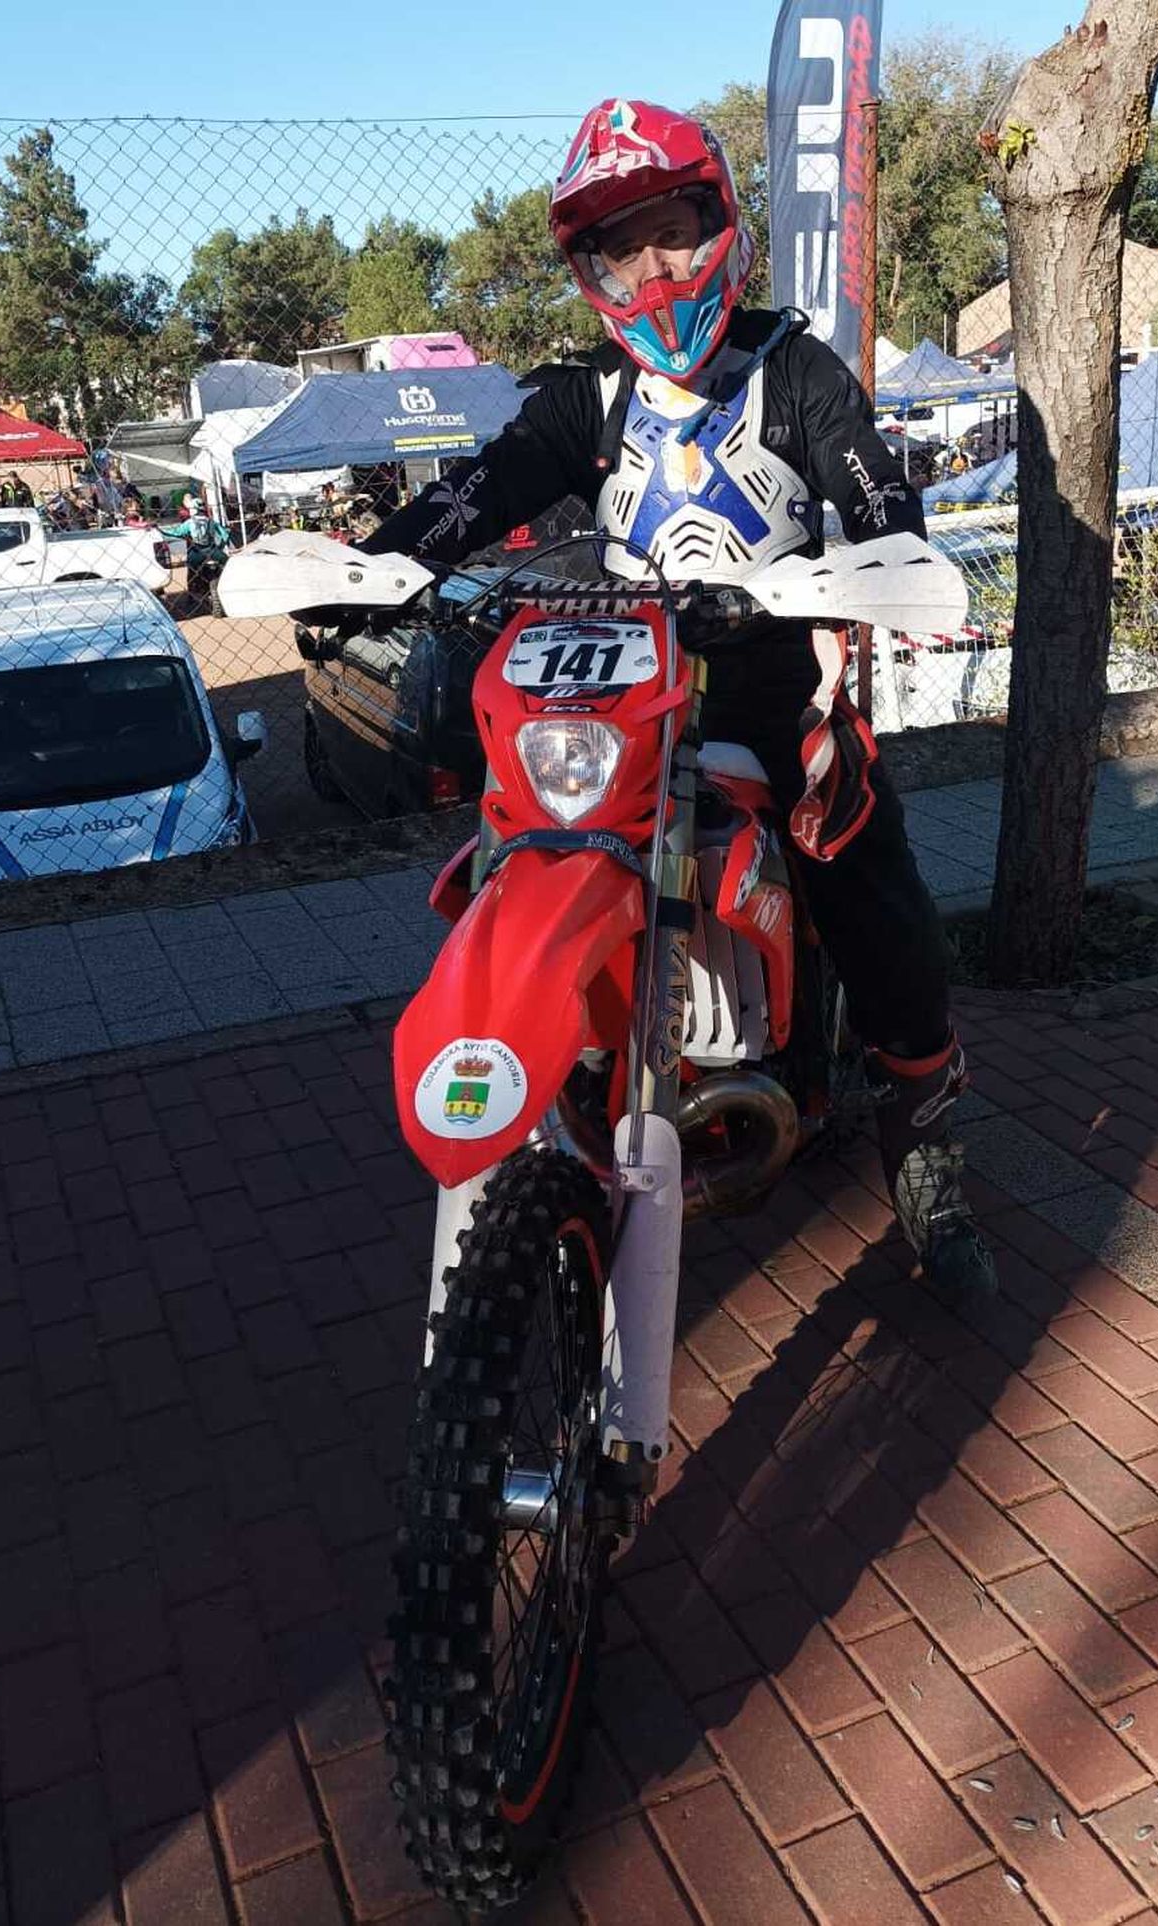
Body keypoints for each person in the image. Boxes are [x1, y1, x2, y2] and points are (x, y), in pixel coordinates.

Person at [356, 99, 994, 1297]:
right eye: (618, 245)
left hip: (768, 701)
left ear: (721, 223)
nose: (651, 269)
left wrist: (870, 563)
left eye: (671, 232)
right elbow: (479, 491)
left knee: (861, 867)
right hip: (624, 705)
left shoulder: (795, 373)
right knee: (523, 839)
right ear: (588, 269)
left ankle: (923, 1135)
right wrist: (378, 566)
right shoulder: (583, 401)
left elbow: (879, 505)